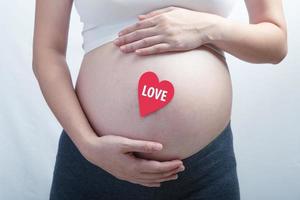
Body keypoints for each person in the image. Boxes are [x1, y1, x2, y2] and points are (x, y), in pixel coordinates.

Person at [32, 0, 287, 199]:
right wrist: (87, 145)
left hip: (202, 171)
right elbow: (47, 53)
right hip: (94, 163)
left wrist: (209, 28)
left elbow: (275, 42)